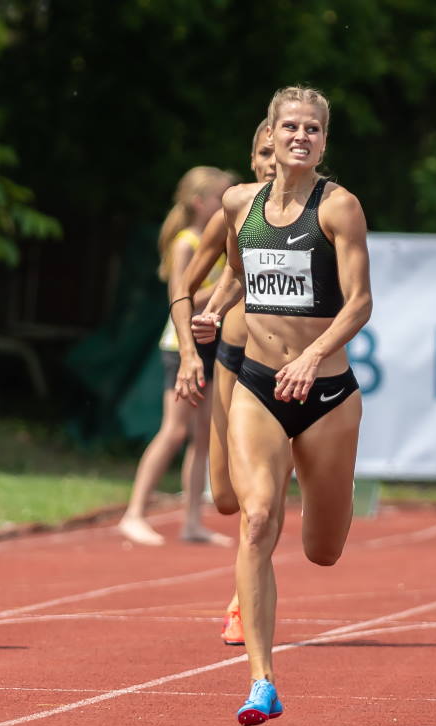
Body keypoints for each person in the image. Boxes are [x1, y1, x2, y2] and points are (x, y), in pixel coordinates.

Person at [178, 86, 372, 725]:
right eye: (291, 126)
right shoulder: (240, 203)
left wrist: (312, 356)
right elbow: (236, 270)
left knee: (323, 549)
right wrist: (211, 313)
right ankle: (261, 681)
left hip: (325, 396)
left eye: (312, 129)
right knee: (255, 519)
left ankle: (325, 512)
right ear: (271, 132)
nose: (300, 137)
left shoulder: (340, 208)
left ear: (323, 140)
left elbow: (360, 303)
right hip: (259, 386)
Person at [171, 123, 277, 646]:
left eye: (278, 151)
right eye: (263, 152)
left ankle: (241, 600)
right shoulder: (233, 210)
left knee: (262, 498)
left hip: (287, 368)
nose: (272, 161)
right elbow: (185, 282)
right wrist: (191, 351)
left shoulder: (320, 211)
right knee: (228, 498)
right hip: (231, 362)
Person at [117, 166, 235, 547]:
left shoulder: (216, 240)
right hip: (182, 344)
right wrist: (230, 285)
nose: (224, 203)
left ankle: (191, 521)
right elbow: (179, 299)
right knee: (174, 430)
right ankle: (134, 512)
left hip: (212, 342)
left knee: (202, 435)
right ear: (200, 203)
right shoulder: (186, 242)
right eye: (219, 197)